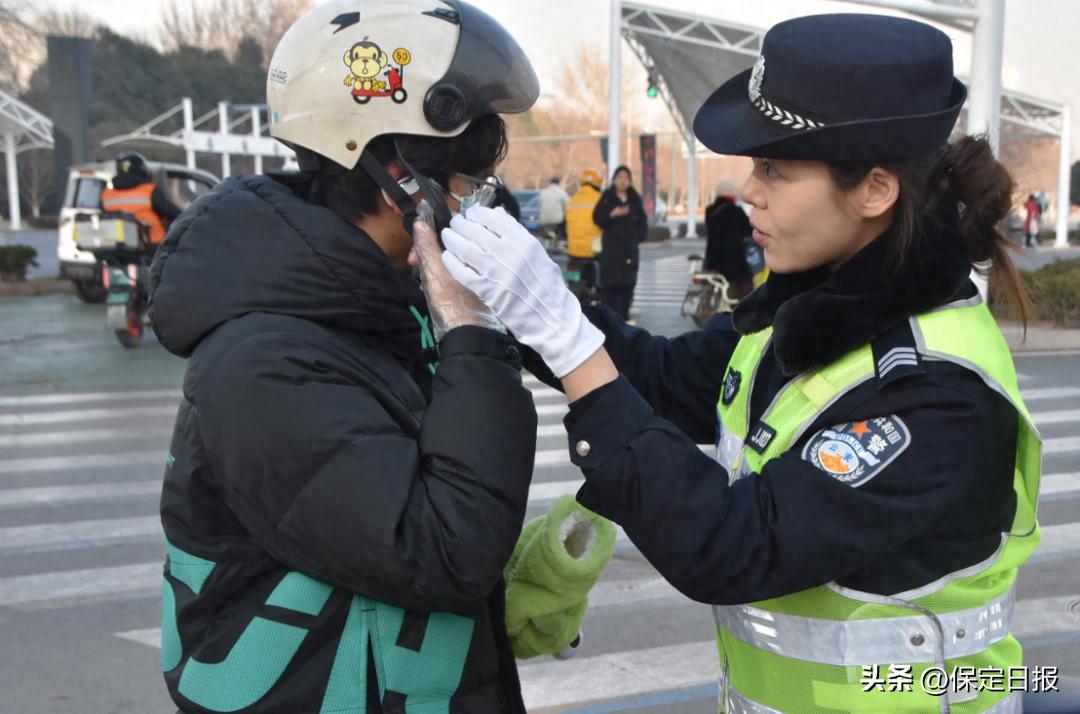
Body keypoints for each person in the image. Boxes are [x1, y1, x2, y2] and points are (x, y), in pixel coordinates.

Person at [437, 13, 1041, 712]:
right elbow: (660, 377)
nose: (749, 189)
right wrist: (531, 306)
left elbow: (731, 545)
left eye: (775, 169)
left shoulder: (938, 391)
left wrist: (569, 346)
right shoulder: (811, 316)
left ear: (875, 190)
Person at [148, 1, 544, 712]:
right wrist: (472, 334)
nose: (483, 205)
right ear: (400, 181)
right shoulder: (265, 362)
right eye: (468, 183)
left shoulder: (387, 300)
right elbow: (444, 548)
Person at [592, 165, 647, 321]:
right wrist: (612, 214)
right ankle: (611, 327)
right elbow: (597, 218)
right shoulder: (607, 197)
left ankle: (624, 324)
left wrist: (637, 238)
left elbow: (642, 223)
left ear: (630, 181)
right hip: (611, 253)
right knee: (610, 293)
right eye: (619, 177)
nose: (623, 181)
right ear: (614, 180)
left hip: (629, 253)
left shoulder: (635, 199)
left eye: (626, 178)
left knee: (627, 290)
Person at [100, 151, 182, 250]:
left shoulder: (106, 194)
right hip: (152, 248)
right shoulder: (149, 191)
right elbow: (173, 213)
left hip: (116, 248)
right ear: (142, 170)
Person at [703, 180, 754, 299]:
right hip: (734, 261)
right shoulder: (737, 211)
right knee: (746, 283)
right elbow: (748, 231)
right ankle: (745, 309)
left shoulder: (710, 210)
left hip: (713, 260)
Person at [564, 168, 604, 295]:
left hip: (573, 252)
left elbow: (565, 225)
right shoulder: (601, 199)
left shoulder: (572, 200)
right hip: (594, 252)